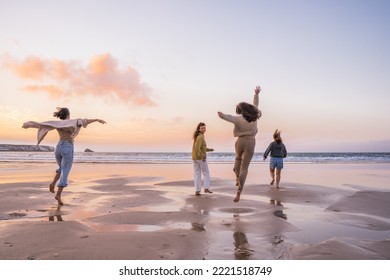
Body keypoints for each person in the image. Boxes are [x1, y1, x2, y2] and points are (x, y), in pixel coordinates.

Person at [23, 107, 106, 205]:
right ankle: (58, 194)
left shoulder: (57, 124)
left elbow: (44, 125)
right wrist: (96, 119)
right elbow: (84, 121)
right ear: (68, 114)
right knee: (65, 170)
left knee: (61, 168)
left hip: (58, 147)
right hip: (67, 146)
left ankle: (53, 183)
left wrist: (29, 125)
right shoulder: (73, 122)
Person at [218, 86, 262, 202]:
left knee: (238, 159)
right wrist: (256, 94)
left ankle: (237, 177)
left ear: (240, 110)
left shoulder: (238, 119)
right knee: (245, 168)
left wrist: (222, 115)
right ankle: (239, 190)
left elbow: (229, 117)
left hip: (240, 141)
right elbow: (255, 104)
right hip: (251, 142)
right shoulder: (254, 116)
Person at [192, 122, 214, 196]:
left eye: (204, 127)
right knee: (206, 173)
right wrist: (202, 156)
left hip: (195, 158)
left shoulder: (198, 136)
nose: (203, 129)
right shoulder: (200, 137)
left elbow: (201, 148)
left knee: (197, 174)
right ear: (199, 129)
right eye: (202, 128)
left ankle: (197, 190)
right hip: (200, 158)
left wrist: (209, 149)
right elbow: (197, 149)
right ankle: (206, 188)